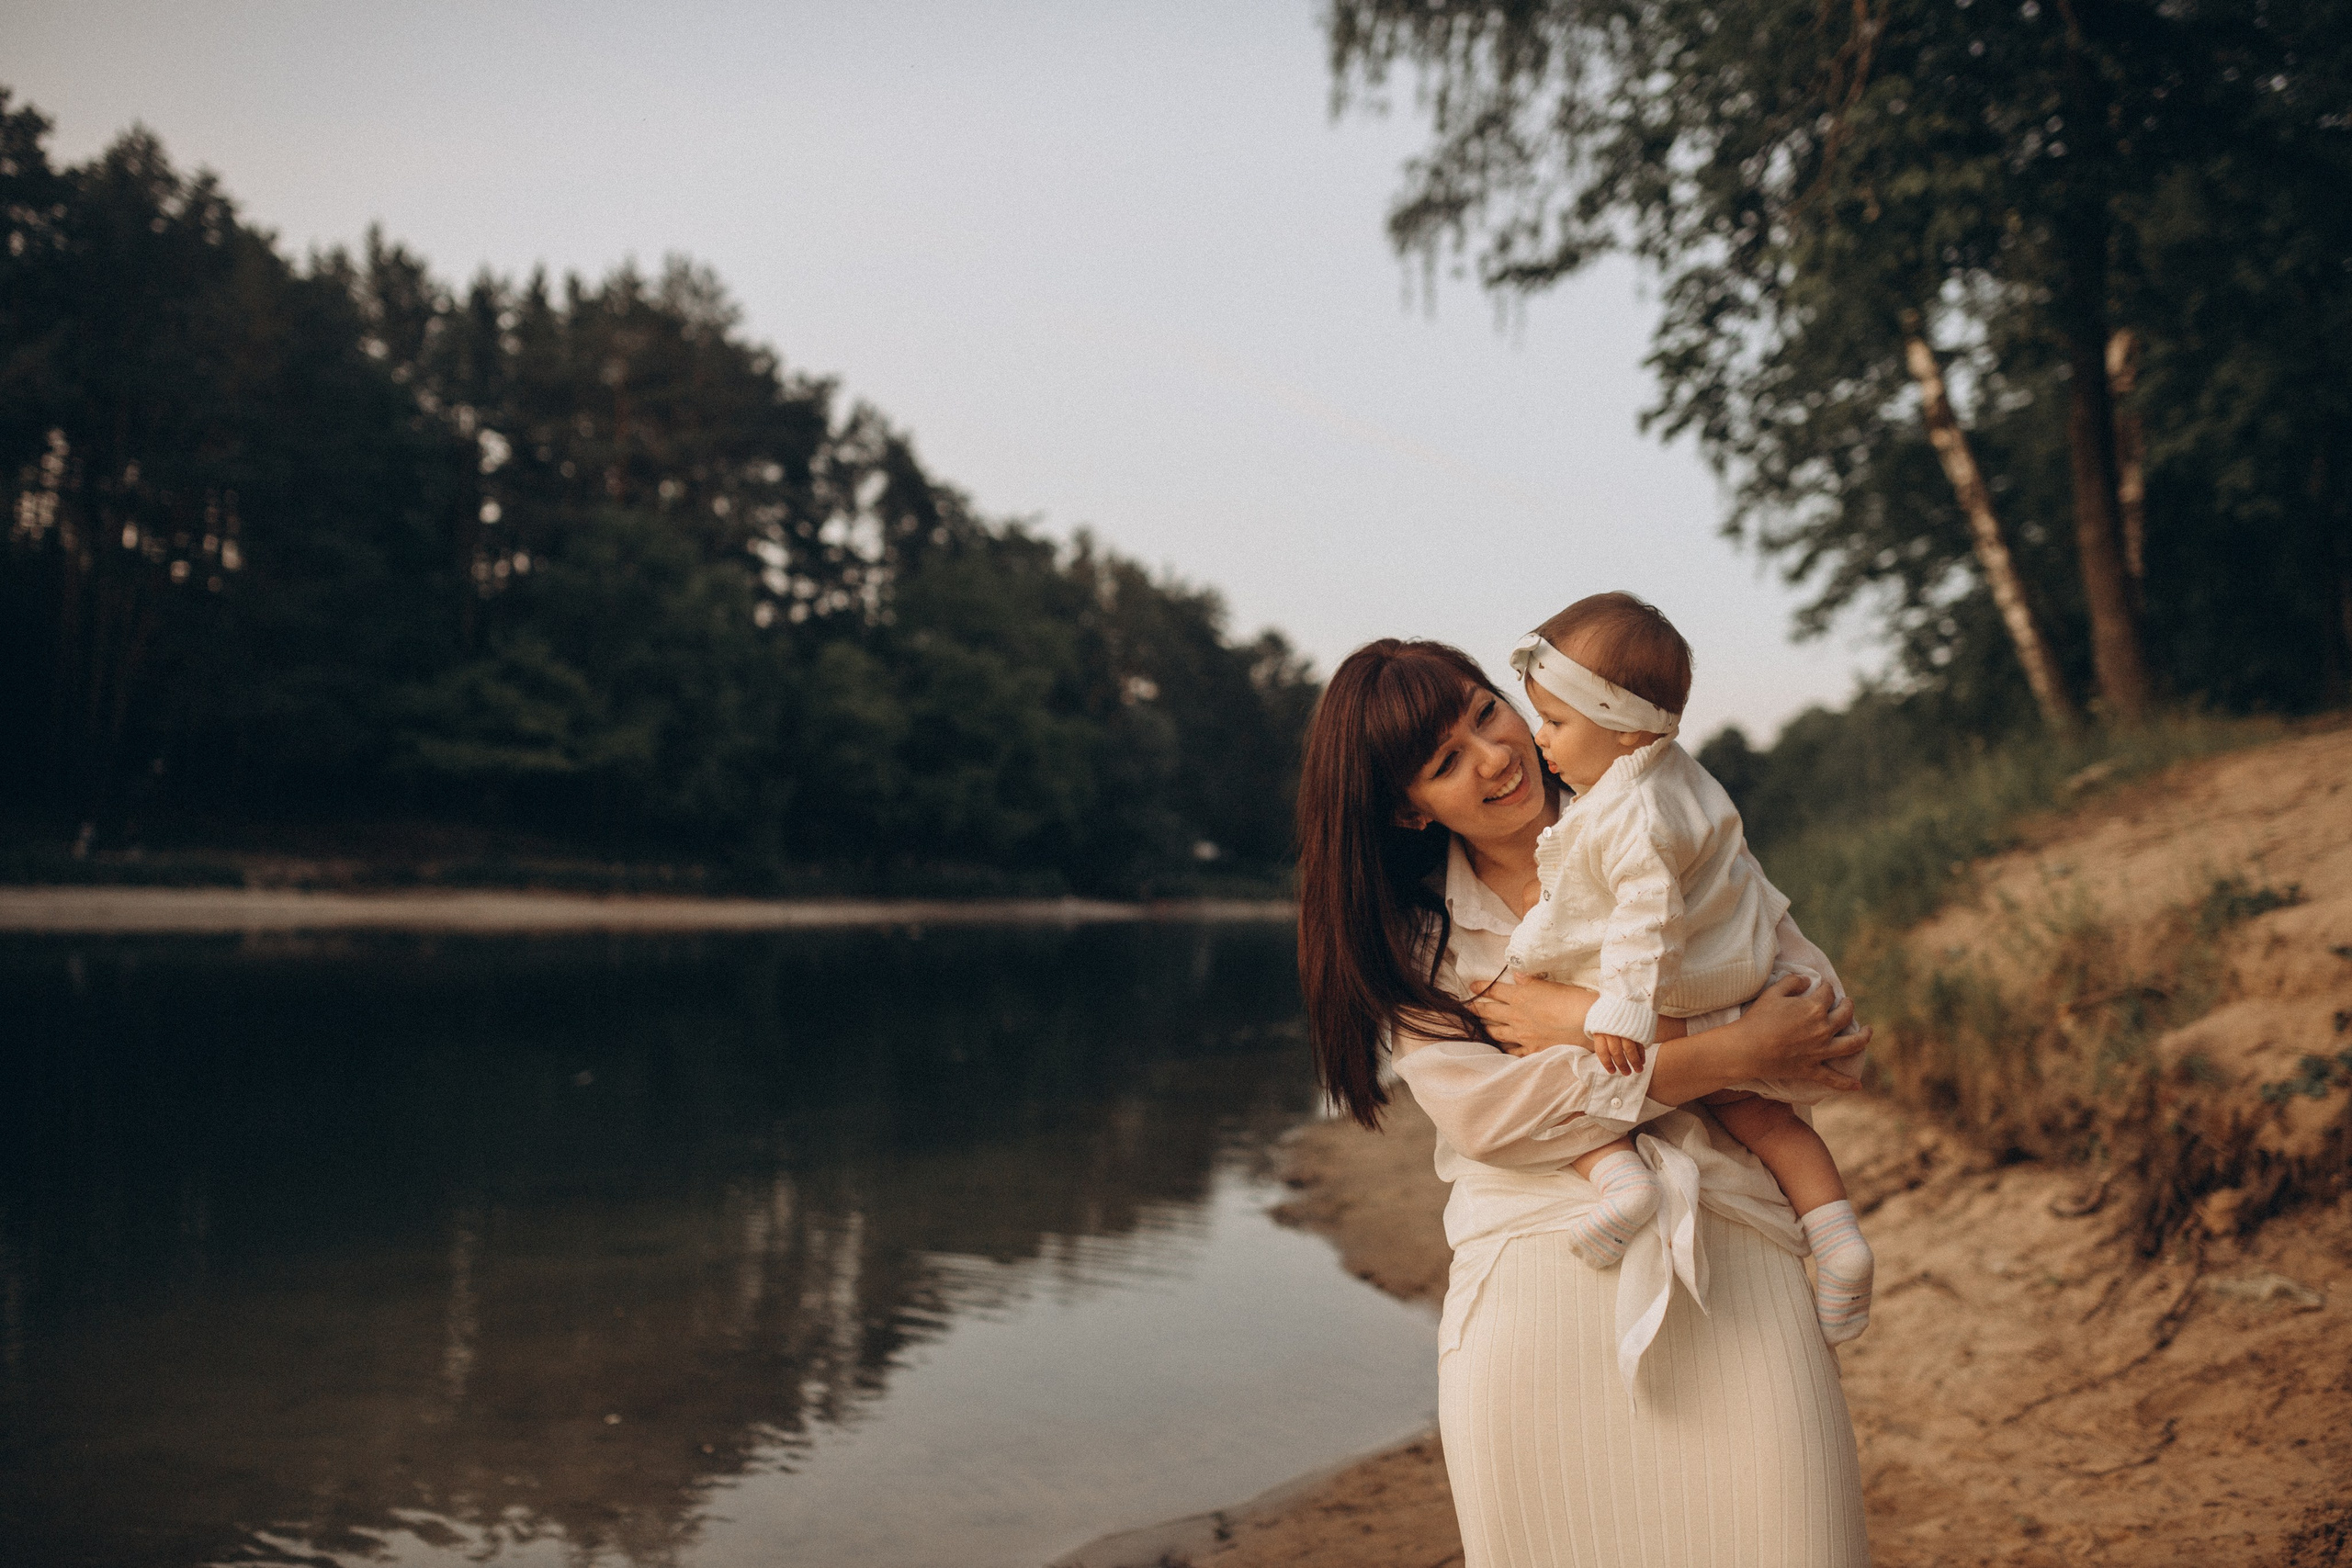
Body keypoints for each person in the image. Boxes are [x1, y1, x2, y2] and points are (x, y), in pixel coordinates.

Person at [1295, 637, 1871, 1568]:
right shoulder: (1414, 946)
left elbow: (1818, 1038)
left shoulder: (1665, 822)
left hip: (1737, 1260)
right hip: (1533, 1286)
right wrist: (1727, 1049)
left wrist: (1571, 1022)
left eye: (1486, 713)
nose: (1492, 755)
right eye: (1444, 761)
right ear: (1407, 811)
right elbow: (1493, 1120)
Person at [1497, 592, 1872, 1346]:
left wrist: (1621, 1005)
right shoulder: (1678, 777)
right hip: (1736, 974)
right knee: (1764, 1117)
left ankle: (1622, 1184)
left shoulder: (1628, 811)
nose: (1541, 739)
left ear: (1627, 726)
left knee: (1566, 1067)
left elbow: (1642, 914)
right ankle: (1838, 1240)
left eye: (1558, 722)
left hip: (1678, 985)